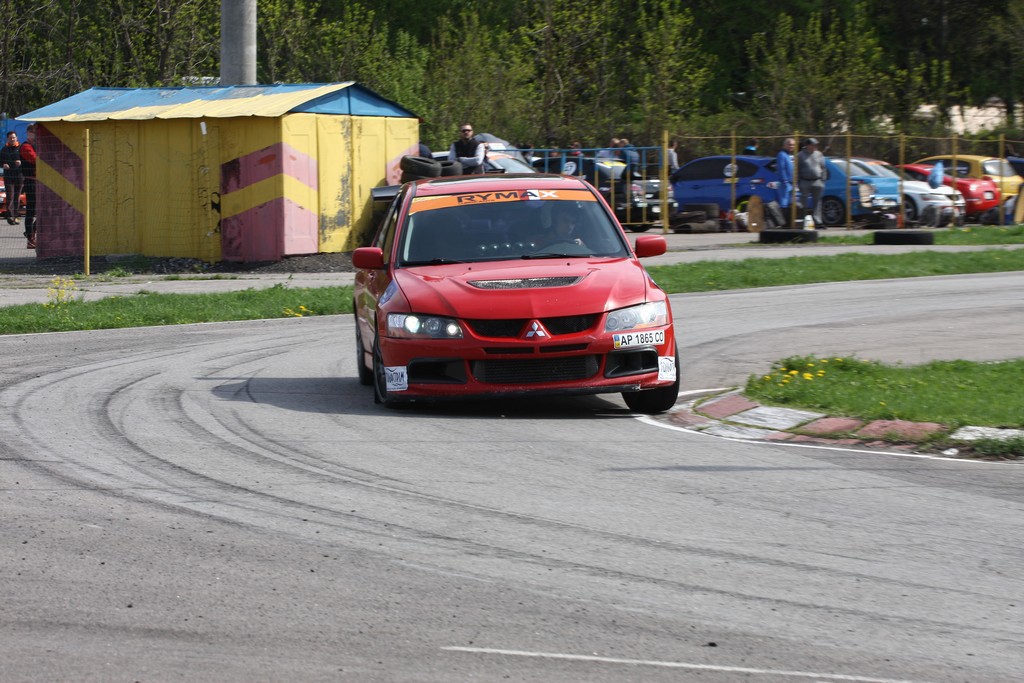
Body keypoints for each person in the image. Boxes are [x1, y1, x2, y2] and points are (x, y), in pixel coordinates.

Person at [797, 137, 827, 228]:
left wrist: (823, 180)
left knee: (817, 202)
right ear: (807, 145)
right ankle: (802, 221)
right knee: (803, 202)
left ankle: (818, 221)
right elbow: (797, 169)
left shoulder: (819, 154)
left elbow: (823, 167)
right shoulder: (800, 155)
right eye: (813, 145)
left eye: (816, 145)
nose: (815, 147)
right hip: (804, 181)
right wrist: (799, 182)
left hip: (817, 181)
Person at [20, 124, 37, 249]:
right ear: (28, 132)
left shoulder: (36, 145)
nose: (36, 134)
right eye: (34, 132)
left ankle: (31, 233)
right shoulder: (26, 146)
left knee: (42, 210)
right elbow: (35, 160)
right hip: (31, 181)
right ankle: (30, 237)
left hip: (38, 181)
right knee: (31, 210)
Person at [1, 130, 24, 226]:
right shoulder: (4, 149)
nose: (12, 139)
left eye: (14, 137)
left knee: (17, 196)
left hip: (19, 176)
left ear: (16, 138)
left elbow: (27, 160)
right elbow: (0, 161)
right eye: (10, 138)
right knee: (10, 196)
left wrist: (21, 162)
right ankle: (10, 216)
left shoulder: (21, 148)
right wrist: (3, 164)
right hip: (8, 176)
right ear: (7, 139)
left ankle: (16, 216)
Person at [775, 137, 796, 211]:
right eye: (790, 144)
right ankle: (783, 217)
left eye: (793, 145)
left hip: (791, 183)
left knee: (789, 204)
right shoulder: (781, 155)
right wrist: (785, 181)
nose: (792, 146)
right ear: (784, 145)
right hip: (784, 184)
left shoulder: (789, 155)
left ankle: (787, 217)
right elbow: (781, 169)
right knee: (784, 203)